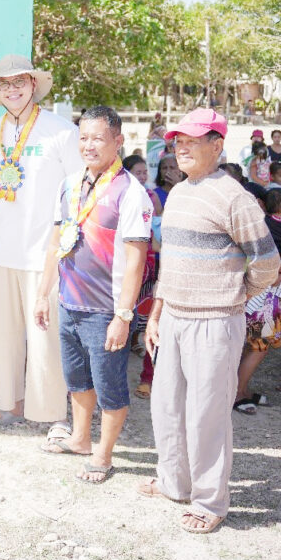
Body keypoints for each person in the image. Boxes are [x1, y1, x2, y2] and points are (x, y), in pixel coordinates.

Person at [139, 108, 279, 534]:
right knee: (166, 408)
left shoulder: (234, 198)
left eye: (193, 139)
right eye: (178, 139)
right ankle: (174, 482)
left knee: (207, 414)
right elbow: (170, 264)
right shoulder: (179, 193)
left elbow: (268, 264)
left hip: (216, 321)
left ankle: (209, 500)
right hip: (175, 318)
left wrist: (236, 295)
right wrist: (156, 313)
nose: (181, 146)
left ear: (217, 145)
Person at [34, 107, 151, 484]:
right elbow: (56, 241)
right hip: (69, 301)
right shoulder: (69, 184)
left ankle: (103, 453)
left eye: (98, 138)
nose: (89, 145)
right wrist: (42, 294)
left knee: (110, 385)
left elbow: (136, 260)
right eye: (83, 137)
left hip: (105, 310)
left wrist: (124, 315)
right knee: (77, 378)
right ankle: (81, 439)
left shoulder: (131, 192)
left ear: (118, 141)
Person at [0, 54, 82, 428]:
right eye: (5, 84)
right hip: (1, 252)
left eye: (20, 81)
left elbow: (79, 189)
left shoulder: (61, 131)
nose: (13, 89)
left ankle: (52, 415)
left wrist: (71, 244)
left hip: (46, 255)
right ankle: (10, 405)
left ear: (33, 85)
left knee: (45, 341)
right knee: (1, 335)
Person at [234, 190, 281, 415]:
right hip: (265, 296)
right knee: (259, 346)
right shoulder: (268, 227)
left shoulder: (262, 225)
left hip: (261, 294)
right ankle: (237, 392)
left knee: (253, 345)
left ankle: (241, 388)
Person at [122, 154, 161, 399]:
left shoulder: (151, 195)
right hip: (125, 269)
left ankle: (148, 376)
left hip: (148, 269)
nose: (143, 176)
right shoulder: (120, 196)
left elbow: (156, 240)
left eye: (145, 171)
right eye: (138, 172)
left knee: (151, 324)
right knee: (123, 321)